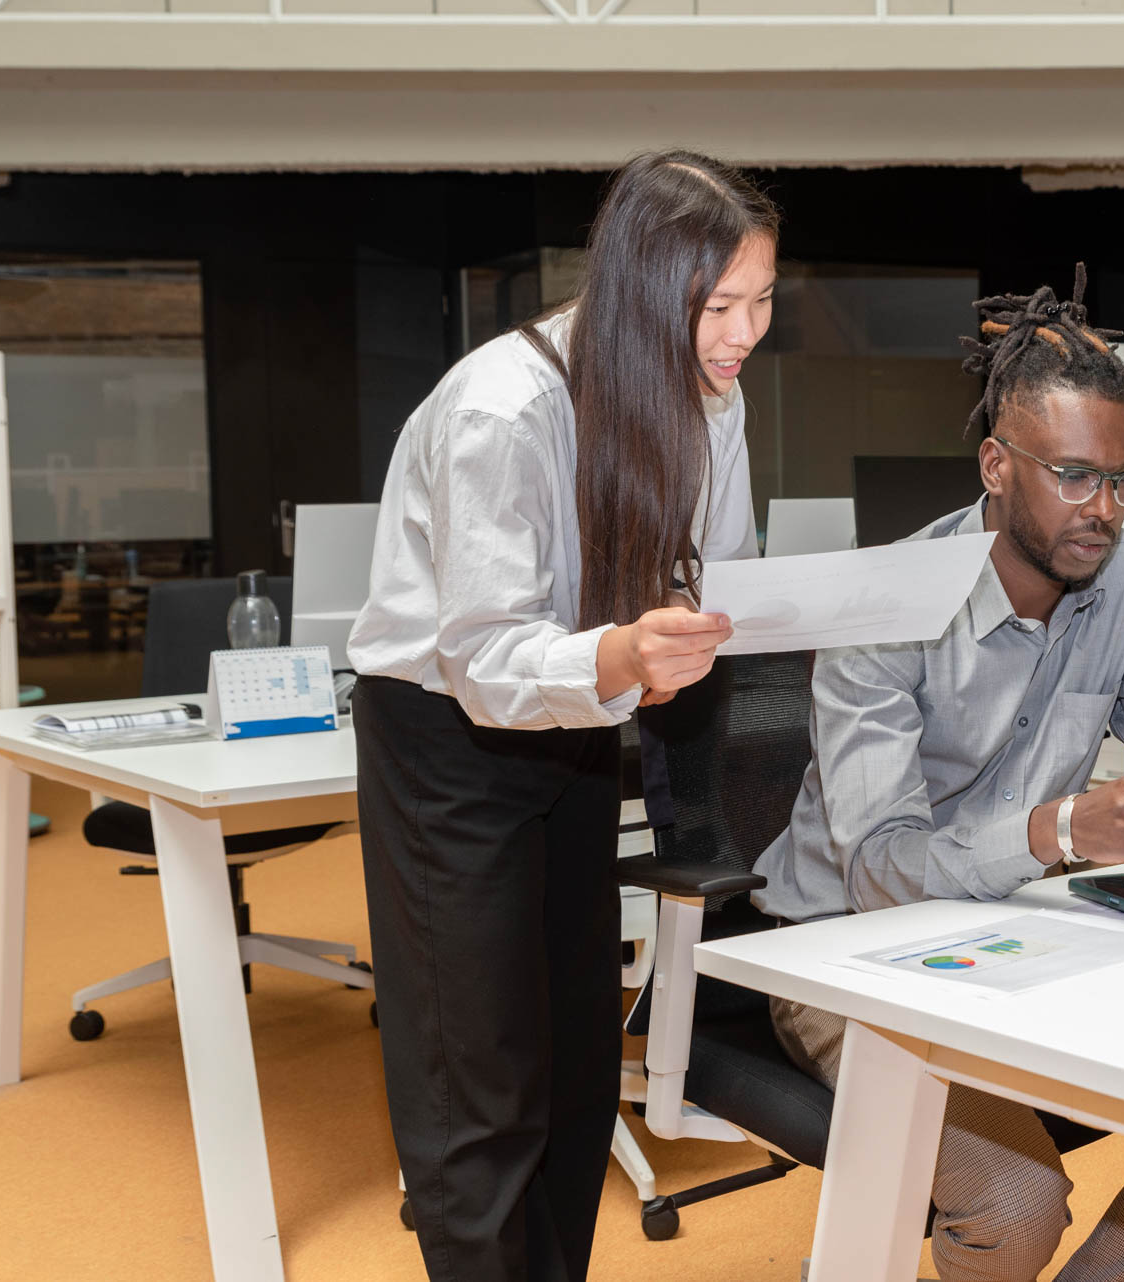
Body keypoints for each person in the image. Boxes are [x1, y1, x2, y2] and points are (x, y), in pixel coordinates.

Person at [752, 267, 1124, 1282]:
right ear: (994, 464)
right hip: (845, 951)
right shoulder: (886, 608)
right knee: (1017, 1202)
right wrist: (1060, 830)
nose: (1103, 510)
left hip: (1029, 925)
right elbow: (880, 870)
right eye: (1073, 476)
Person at [348, 151, 777, 1282]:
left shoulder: (709, 396)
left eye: (761, 301)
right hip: (448, 736)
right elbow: (484, 653)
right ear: (641, 290)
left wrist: (693, 629)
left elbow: (715, 563)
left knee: (580, 1065)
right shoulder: (504, 406)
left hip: (585, 713)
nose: (743, 334)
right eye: (719, 307)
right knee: (478, 1080)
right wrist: (627, 651)